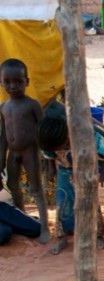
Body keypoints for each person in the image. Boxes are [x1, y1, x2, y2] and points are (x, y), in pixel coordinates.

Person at [37, 101, 104, 254]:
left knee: (90, 202)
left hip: (85, 172)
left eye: (62, 146)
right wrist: (51, 168)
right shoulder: (49, 136)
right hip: (64, 173)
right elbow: (48, 155)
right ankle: (62, 237)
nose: (60, 150)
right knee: (63, 202)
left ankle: (96, 235)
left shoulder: (85, 132)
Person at [0, 58, 51, 244]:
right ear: (1, 82)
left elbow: (43, 130)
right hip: (12, 154)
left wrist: (46, 156)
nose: (13, 86)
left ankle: (44, 226)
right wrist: (1, 157)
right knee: (14, 187)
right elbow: (4, 135)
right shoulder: (3, 107)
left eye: (18, 81)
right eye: (7, 82)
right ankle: (22, 219)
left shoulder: (32, 105)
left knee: (37, 189)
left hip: (30, 151)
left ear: (27, 82)